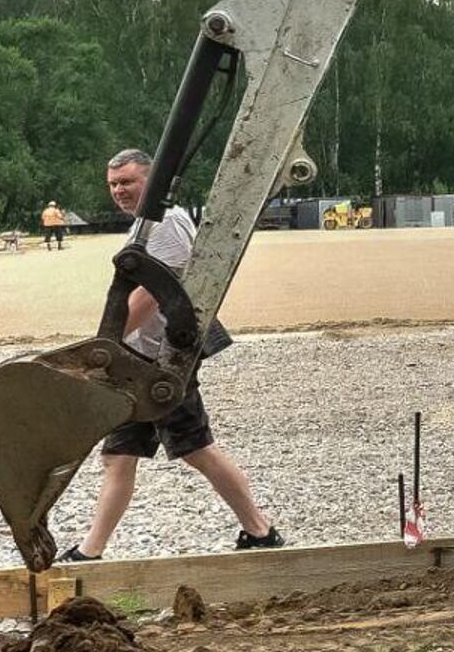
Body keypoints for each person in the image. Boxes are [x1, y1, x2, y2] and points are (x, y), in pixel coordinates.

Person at [58, 148, 284, 562]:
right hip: (138, 358)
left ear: (152, 179)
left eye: (128, 182)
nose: (119, 191)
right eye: (113, 184)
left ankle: (261, 531)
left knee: (195, 448)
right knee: (118, 455)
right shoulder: (148, 225)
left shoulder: (166, 222)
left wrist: (108, 341)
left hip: (164, 360)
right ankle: (91, 552)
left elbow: (164, 285)